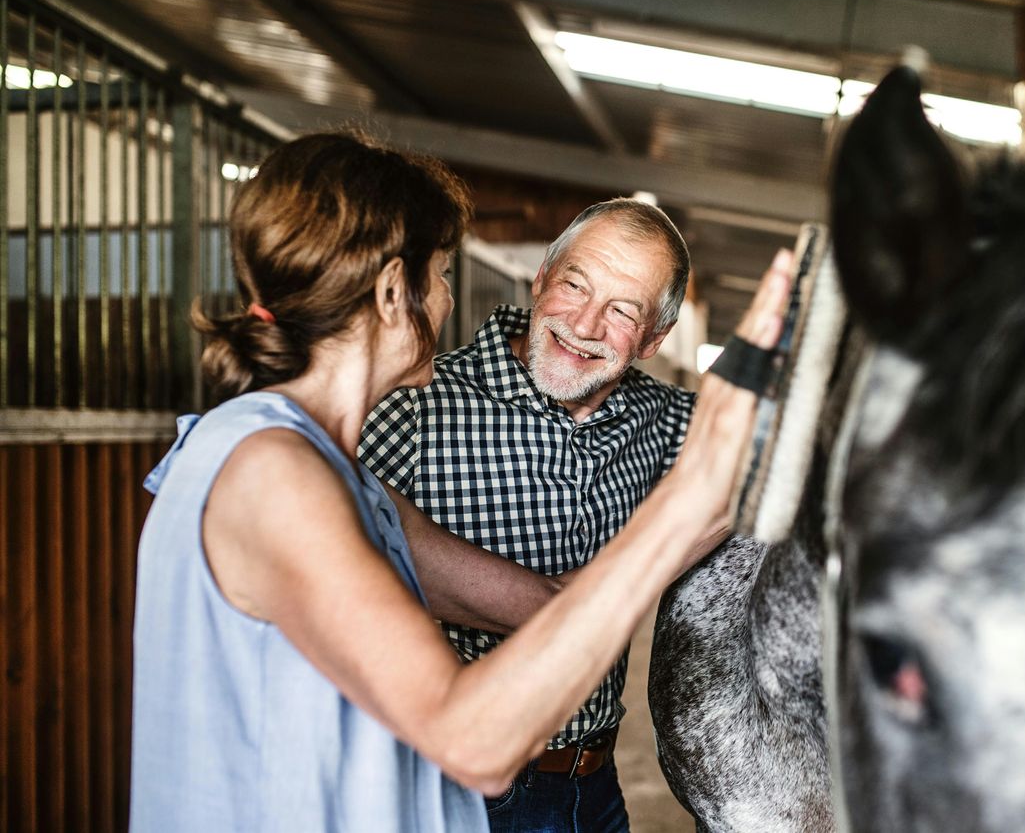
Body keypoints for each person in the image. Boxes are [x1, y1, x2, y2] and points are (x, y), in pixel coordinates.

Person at [128, 131, 793, 833]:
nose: (449, 299)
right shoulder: (272, 473)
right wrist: (685, 506)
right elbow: (472, 742)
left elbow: (547, 603)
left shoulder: (338, 478)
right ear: (394, 293)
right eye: (443, 274)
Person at [360, 198, 697, 831]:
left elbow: (773, 451)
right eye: (575, 285)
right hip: (455, 791)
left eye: (623, 311)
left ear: (654, 340)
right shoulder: (413, 408)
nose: (585, 324)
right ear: (541, 279)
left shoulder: (661, 418)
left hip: (595, 787)